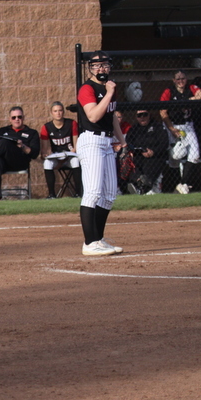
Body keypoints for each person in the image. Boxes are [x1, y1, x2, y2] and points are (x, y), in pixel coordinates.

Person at [76, 51, 127, 256]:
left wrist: (122, 140)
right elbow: (94, 115)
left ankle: (98, 239)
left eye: (104, 65)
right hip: (91, 140)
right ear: (90, 68)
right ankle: (89, 242)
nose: (101, 69)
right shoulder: (87, 88)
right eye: (96, 65)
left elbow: (111, 115)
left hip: (106, 141)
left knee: (108, 194)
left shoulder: (109, 87)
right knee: (93, 192)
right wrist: (108, 93)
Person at [159, 70, 201, 194]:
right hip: (173, 125)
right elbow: (163, 112)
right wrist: (171, 129)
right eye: (178, 79)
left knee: (195, 154)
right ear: (174, 80)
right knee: (175, 157)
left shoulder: (191, 88)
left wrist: (189, 99)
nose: (181, 81)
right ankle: (173, 186)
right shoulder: (169, 91)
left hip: (187, 126)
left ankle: (184, 183)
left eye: (183, 79)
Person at [40, 101, 82, 199]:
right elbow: (44, 151)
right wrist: (45, 155)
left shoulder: (71, 123)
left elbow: (76, 147)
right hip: (56, 157)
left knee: (76, 161)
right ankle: (51, 194)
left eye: (60, 110)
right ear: (51, 113)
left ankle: (78, 193)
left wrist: (66, 157)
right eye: (55, 111)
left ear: (63, 112)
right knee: (47, 163)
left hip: (69, 157)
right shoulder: (46, 127)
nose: (58, 113)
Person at [124, 110, 169, 195]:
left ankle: (142, 188)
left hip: (155, 156)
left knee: (151, 165)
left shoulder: (157, 127)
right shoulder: (134, 129)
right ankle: (140, 183)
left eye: (145, 115)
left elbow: (164, 143)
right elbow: (129, 143)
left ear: (149, 115)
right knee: (128, 162)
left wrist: (153, 151)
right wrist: (139, 151)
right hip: (139, 155)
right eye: (139, 115)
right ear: (136, 117)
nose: (142, 117)